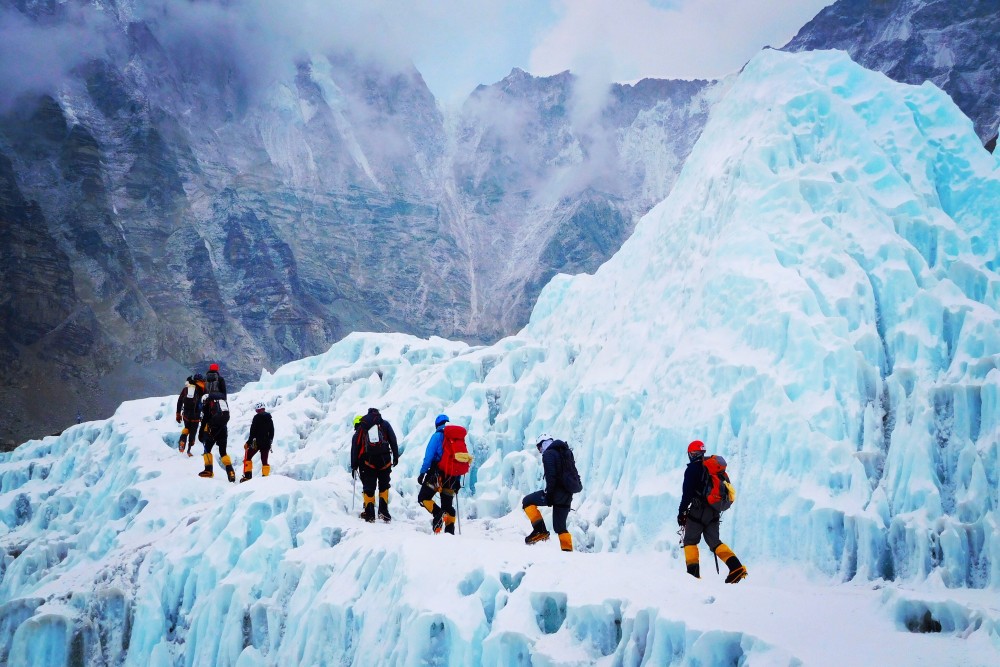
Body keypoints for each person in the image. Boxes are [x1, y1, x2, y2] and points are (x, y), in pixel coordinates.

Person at [677, 440, 747, 583]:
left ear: (692, 454)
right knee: (715, 542)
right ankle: (736, 568)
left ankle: (692, 577)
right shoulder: (711, 468)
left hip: (698, 511)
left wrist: (682, 512)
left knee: (690, 541)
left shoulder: (692, 470)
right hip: (714, 511)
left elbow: (687, 493)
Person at [522, 434, 576, 551]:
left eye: (539, 446)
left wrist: (550, 496)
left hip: (555, 493)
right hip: (567, 494)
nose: (540, 450)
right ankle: (568, 551)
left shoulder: (549, 454)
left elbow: (551, 477)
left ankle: (540, 530)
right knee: (560, 527)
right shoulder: (565, 452)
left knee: (527, 501)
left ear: (544, 443)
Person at [417, 414, 463, 534]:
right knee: (448, 506)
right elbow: (459, 460)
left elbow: (429, 457)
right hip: (452, 476)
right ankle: (449, 533)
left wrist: (422, 473)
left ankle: (438, 513)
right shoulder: (456, 439)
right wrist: (457, 480)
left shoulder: (437, 436)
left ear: (437, 425)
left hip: (436, 476)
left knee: (423, 498)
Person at [350, 407, 399, 522]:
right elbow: (393, 439)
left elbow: (355, 445)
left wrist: (354, 465)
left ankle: (370, 513)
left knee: (369, 487)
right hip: (385, 461)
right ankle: (384, 511)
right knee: (384, 485)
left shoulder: (363, 426)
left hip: (368, 461)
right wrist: (395, 456)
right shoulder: (385, 424)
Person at [198, 392, 236, 482]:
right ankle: (231, 472)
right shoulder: (221, 405)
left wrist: (201, 434)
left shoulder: (209, 406)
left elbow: (204, 420)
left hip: (213, 431)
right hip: (223, 430)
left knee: (207, 449)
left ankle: (208, 470)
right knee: (223, 452)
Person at [241, 402, 274, 482]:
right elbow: (272, 431)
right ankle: (265, 479)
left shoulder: (256, 417)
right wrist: (270, 441)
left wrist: (248, 443)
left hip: (257, 442)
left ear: (258, 410)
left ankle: (248, 477)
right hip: (266, 442)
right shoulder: (269, 418)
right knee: (264, 461)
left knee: (248, 456)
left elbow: (253, 432)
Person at [175, 374, 205, 457]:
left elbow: (180, 401)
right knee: (193, 433)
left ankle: (182, 441)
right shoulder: (201, 390)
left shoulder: (186, 389)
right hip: (196, 415)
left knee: (187, 428)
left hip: (186, 415)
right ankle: (188, 451)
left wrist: (178, 414)